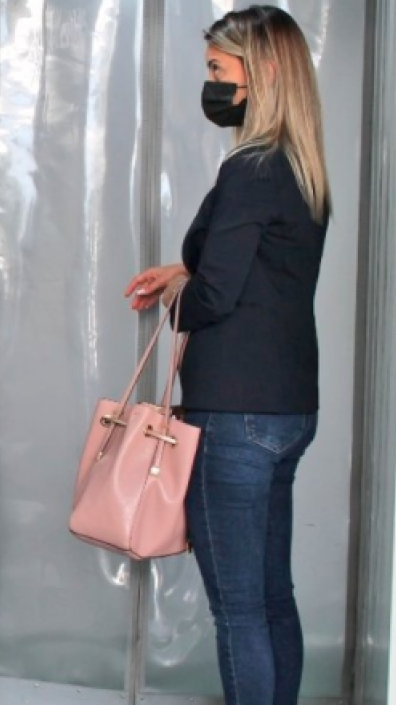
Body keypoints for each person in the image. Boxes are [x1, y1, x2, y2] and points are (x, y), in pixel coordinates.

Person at [124, 7, 330, 703]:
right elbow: (264, 276)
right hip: (288, 409)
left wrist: (179, 297)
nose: (210, 85)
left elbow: (216, 295)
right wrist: (185, 272)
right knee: (272, 597)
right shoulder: (303, 170)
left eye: (218, 70)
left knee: (238, 609)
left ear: (264, 72)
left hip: (235, 413)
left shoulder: (250, 168)